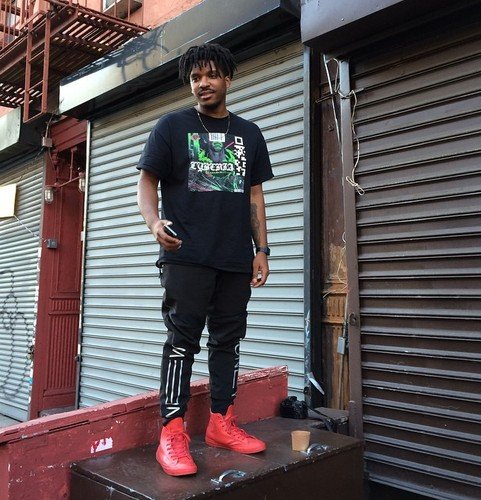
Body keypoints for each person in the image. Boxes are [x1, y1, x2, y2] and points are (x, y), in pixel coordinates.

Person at [136, 43, 273, 476]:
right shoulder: (171, 126)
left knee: (228, 341)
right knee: (182, 341)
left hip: (234, 257)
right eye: (196, 78)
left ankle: (221, 422)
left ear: (227, 78)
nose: (203, 84)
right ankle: (172, 431)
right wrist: (153, 223)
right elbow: (147, 181)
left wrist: (262, 250)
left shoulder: (249, 134)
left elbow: (254, 196)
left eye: (211, 75)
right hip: (186, 255)